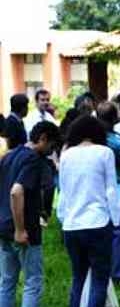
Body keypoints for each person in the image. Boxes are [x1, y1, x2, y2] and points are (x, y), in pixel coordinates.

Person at [57, 115, 120, 307]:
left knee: (78, 277)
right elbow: (111, 190)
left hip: (72, 225)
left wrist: (63, 218)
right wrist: (115, 220)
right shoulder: (104, 153)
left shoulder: (66, 156)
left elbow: (62, 192)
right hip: (97, 222)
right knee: (99, 278)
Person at [0, 122, 60, 307]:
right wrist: (20, 229)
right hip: (24, 230)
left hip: (3, 226)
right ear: (42, 138)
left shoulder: (9, 155)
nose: (52, 151)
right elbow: (17, 192)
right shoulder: (33, 160)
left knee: (7, 281)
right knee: (33, 281)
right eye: (52, 146)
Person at [97, 101, 120, 285]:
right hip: (117, 191)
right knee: (119, 233)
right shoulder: (116, 142)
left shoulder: (93, 139)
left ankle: (101, 271)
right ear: (114, 118)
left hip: (96, 191)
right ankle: (117, 274)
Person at [24, 89, 58, 226]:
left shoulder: (50, 118)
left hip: (48, 157)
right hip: (35, 155)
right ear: (36, 101)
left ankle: (45, 214)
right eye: (42, 100)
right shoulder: (30, 119)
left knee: (49, 186)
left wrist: (55, 159)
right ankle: (38, 214)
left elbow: (54, 140)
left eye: (47, 100)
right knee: (38, 186)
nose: (45, 103)